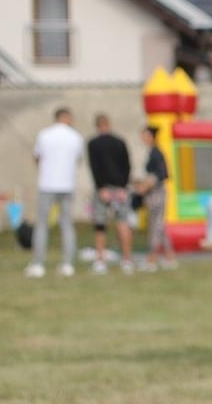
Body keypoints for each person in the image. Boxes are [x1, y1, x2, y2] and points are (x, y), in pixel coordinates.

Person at [26, 107, 85, 278]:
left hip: (47, 184)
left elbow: (37, 157)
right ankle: (67, 263)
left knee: (42, 224)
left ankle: (38, 264)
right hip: (67, 185)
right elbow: (78, 160)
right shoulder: (76, 137)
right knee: (66, 224)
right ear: (66, 117)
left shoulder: (44, 135)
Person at [86, 114, 134, 274]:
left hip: (104, 188)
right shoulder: (120, 142)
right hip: (120, 189)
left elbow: (95, 167)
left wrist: (101, 188)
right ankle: (126, 260)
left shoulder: (93, 144)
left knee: (100, 225)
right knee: (123, 222)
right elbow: (127, 166)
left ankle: (100, 260)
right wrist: (123, 187)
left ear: (97, 126)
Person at [136, 125, 175, 272]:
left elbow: (160, 175)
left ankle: (152, 257)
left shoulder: (156, 153)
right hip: (153, 193)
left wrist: (144, 187)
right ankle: (169, 256)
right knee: (159, 226)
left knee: (155, 226)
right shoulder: (152, 152)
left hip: (157, 193)